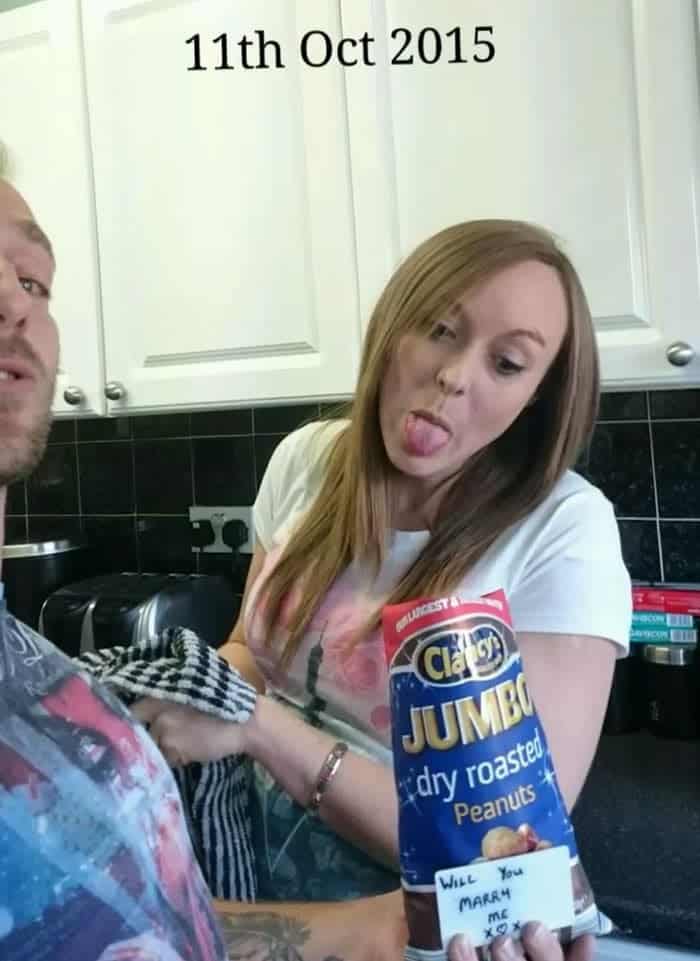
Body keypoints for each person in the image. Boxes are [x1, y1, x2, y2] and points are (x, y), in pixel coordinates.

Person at [135, 221, 632, 957]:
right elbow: (250, 651)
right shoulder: (305, 461)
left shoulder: (564, 529)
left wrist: (256, 726)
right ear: (392, 325)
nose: (455, 375)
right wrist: (194, 691)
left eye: (506, 363)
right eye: (439, 329)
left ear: (537, 396)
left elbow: (503, 839)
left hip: (406, 925)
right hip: (234, 881)